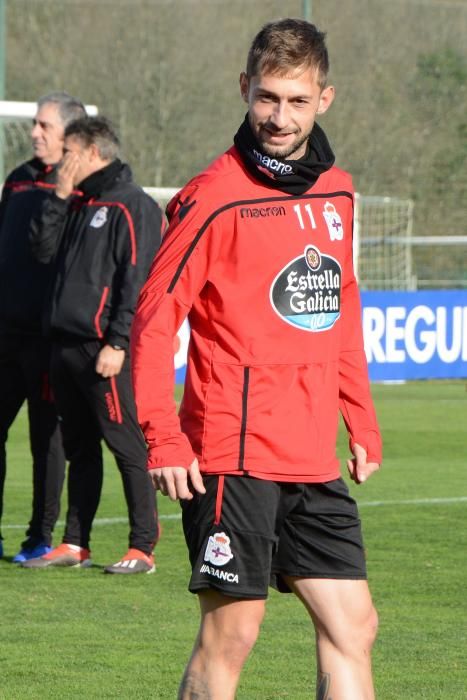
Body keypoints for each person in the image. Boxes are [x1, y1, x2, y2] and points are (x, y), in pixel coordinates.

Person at [131, 18, 382, 699]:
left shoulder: (337, 190)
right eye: (267, 97)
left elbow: (341, 307)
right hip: (229, 456)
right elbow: (154, 322)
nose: (278, 116)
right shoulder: (212, 196)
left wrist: (359, 420)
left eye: (296, 101)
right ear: (245, 89)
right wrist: (162, 436)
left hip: (310, 457)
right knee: (231, 637)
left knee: (353, 626)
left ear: (323, 100)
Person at [24, 116, 162, 574]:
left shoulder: (132, 204)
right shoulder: (79, 202)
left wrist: (118, 340)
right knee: (79, 447)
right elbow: (40, 253)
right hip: (62, 345)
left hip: (103, 348)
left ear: (91, 153)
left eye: (68, 153)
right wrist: (60, 197)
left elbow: (135, 278)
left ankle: (142, 547)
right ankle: (75, 543)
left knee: (125, 445)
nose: (62, 161)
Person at [0, 92, 86, 562]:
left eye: (45, 126)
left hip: (47, 338)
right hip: (5, 334)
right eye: (35, 124)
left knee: (44, 442)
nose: (34, 132)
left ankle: (38, 536)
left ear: (69, 135)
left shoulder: (78, 188)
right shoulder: (16, 180)